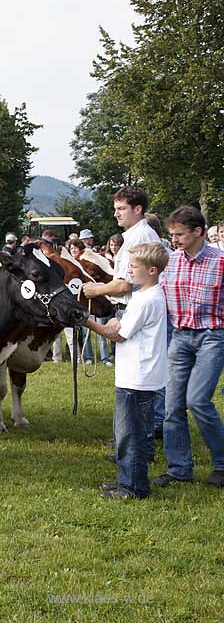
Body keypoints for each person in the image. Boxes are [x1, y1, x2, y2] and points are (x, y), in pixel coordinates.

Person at [86, 241, 169, 499]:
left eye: (134, 266)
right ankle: (129, 480)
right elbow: (124, 325)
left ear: (152, 270)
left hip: (137, 378)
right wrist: (114, 322)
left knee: (129, 434)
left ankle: (132, 487)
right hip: (138, 375)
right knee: (130, 433)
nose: (129, 271)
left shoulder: (147, 300)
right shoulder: (143, 296)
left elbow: (119, 335)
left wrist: (86, 321)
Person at [83, 186, 165, 438]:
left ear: (137, 209)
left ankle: (137, 441)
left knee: (135, 383)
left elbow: (125, 284)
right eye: (115, 209)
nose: (116, 214)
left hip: (131, 308)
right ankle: (135, 438)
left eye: (121, 209)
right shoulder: (135, 234)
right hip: (130, 307)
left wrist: (95, 290)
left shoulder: (139, 236)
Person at [153, 206, 224, 488]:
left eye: (180, 234)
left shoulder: (220, 262)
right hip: (180, 337)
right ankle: (180, 468)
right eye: (172, 234)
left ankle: (221, 463)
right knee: (172, 406)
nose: (175, 239)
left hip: (212, 336)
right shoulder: (171, 262)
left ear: (199, 232)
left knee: (198, 401)